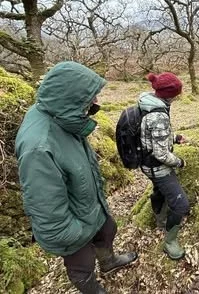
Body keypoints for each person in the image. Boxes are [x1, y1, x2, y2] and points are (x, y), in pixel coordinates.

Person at [15, 62, 137, 294]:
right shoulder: (38, 147)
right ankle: (93, 290)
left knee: (108, 229)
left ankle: (109, 263)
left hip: (86, 206)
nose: (95, 102)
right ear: (69, 98)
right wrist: (75, 234)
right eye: (89, 98)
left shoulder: (61, 116)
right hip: (71, 224)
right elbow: (46, 208)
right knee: (82, 266)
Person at [138, 72, 189, 260]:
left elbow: (151, 136)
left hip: (146, 162)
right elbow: (160, 154)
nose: (177, 97)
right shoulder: (158, 115)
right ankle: (170, 242)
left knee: (159, 190)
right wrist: (179, 162)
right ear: (169, 94)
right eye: (176, 94)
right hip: (157, 166)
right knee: (181, 204)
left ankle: (160, 220)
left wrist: (174, 138)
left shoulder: (149, 103)